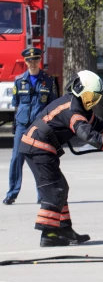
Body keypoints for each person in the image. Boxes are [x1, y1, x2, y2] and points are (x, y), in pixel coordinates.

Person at [19, 70, 103, 247]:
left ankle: (64, 230)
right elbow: (88, 135)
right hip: (37, 147)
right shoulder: (73, 111)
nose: (93, 100)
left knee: (60, 187)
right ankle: (48, 234)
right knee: (55, 189)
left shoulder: (79, 106)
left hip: (42, 148)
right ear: (80, 90)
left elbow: (98, 125)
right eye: (91, 96)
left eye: (96, 97)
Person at [4, 48, 58, 205]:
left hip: (39, 127)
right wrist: (16, 123)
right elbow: (16, 104)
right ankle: (12, 193)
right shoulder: (19, 80)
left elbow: (51, 106)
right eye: (30, 60)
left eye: (35, 60)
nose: (33, 63)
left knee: (39, 160)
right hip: (22, 125)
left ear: (40, 61)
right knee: (16, 159)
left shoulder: (48, 80)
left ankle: (42, 195)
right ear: (25, 62)